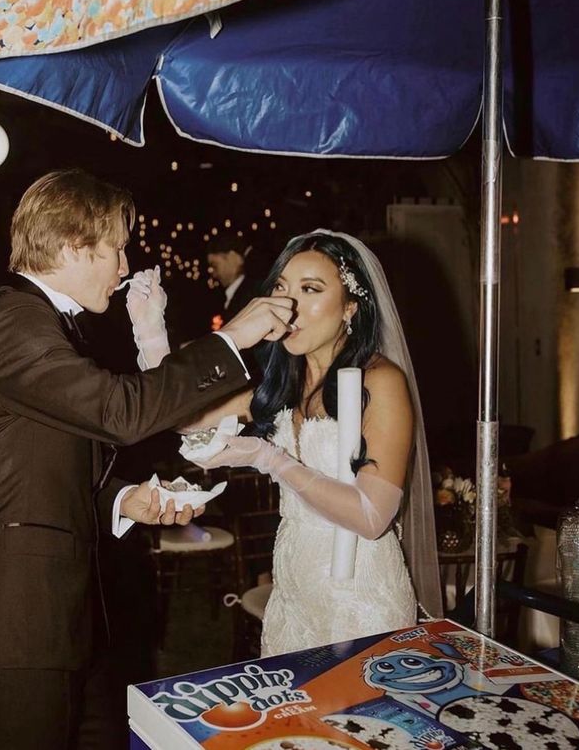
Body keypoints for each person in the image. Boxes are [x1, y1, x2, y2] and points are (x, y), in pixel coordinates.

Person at [0, 169, 294, 750]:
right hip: (5, 625)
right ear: (73, 246)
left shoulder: (44, 325)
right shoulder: (11, 317)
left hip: (56, 623)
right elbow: (122, 411)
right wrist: (233, 339)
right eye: (116, 248)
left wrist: (124, 500)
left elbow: (43, 474)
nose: (124, 266)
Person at [130, 230, 442, 655]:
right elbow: (181, 417)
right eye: (281, 288)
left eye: (310, 289)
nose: (289, 306)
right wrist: (151, 333)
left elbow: (372, 517)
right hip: (293, 590)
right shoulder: (280, 380)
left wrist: (271, 458)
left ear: (351, 305)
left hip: (359, 596)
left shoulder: (380, 381)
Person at [206, 233, 260, 321]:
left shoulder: (251, 295)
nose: (214, 274)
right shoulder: (234, 294)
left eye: (215, 265)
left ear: (234, 257)